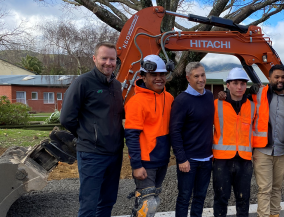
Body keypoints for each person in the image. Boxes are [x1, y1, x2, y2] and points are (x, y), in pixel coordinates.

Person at [60, 42, 124, 217]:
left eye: (112, 59)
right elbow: (66, 118)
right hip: (92, 153)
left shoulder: (117, 87)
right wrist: (88, 135)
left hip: (115, 153)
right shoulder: (82, 83)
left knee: (108, 201)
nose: (108, 63)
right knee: (89, 204)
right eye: (104, 58)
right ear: (95, 58)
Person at [124, 55, 174, 217]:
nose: (159, 78)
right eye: (154, 75)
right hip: (145, 163)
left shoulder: (169, 98)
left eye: (162, 74)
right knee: (147, 205)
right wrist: (136, 165)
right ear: (143, 77)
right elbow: (131, 136)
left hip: (162, 160)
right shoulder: (136, 102)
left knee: (153, 202)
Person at [251, 65, 284, 217]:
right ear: (269, 78)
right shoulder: (258, 93)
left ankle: (274, 214)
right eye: (276, 77)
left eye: (283, 77)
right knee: (265, 189)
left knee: (277, 188)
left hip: (283, 151)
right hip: (262, 150)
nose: (280, 80)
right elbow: (237, 98)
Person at [169, 62, 214, 217]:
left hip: (207, 158)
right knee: (184, 197)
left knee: (200, 197)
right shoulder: (182, 101)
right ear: (188, 78)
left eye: (203, 75)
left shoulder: (209, 96)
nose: (201, 79)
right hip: (189, 160)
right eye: (196, 76)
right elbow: (174, 132)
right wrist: (181, 158)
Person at [212, 67, 256, 217]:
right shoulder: (217, 104)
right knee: (221, 199)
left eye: (242, 83)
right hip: (222, 160)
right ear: (228, 85)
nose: (239, 87)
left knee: (243, 200)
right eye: (235, 83)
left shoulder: (252, 106)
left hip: (244, 160)